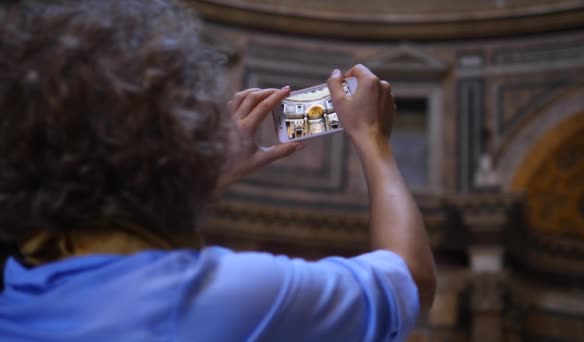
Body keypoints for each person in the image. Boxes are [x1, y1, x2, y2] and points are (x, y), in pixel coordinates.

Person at [0, 0, 436, 341]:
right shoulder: (223, 295)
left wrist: (198, 177)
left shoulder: (19, 285)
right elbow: (410, 283)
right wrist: (372, 138)